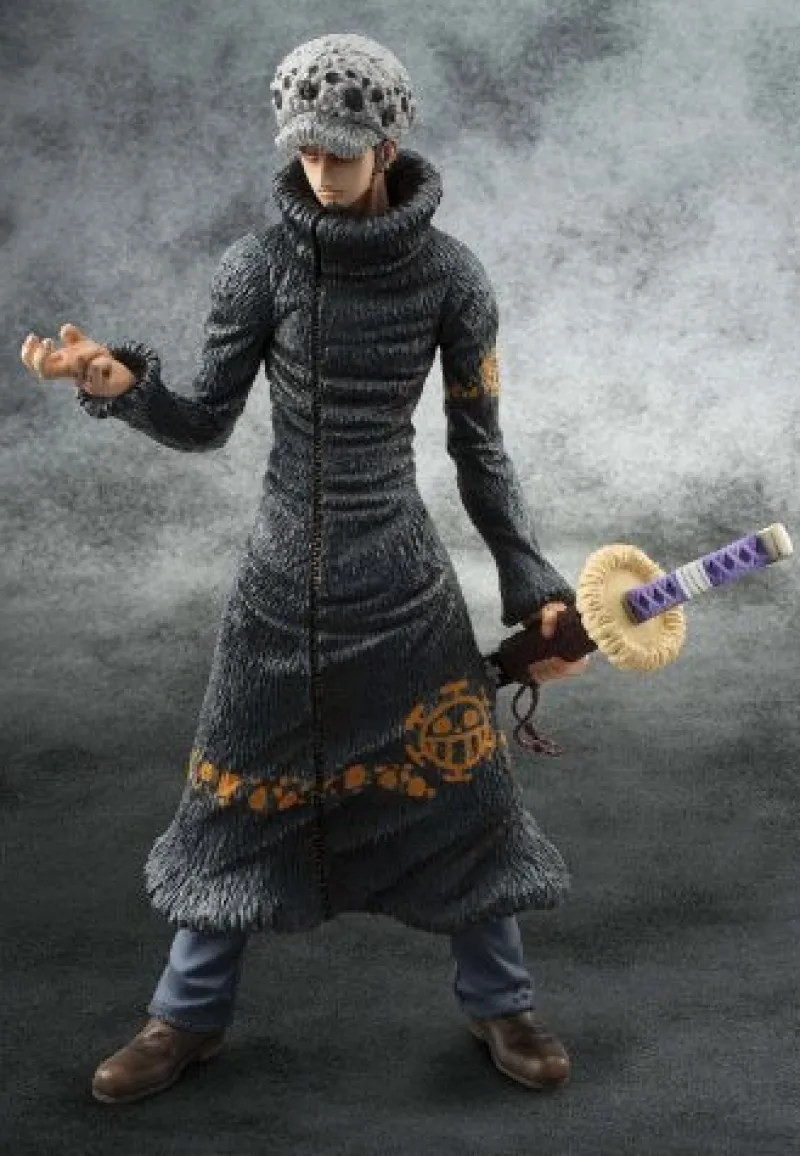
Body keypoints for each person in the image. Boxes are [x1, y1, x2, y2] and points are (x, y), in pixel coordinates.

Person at [20, 33, 590, 1104]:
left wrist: (536, 590)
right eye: (306, 151)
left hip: (402, 584)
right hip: (281, 585)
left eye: (342, 151)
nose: (322, 170)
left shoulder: (450, 276)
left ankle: (501, 1000)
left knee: (465, 793)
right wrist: (123, 386)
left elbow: (481, 449)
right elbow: (205, 419)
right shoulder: (258, 267)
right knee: (232, 797)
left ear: (387, 147)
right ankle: (185, 1015)